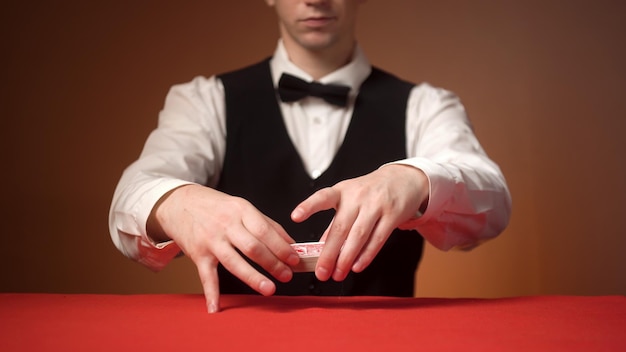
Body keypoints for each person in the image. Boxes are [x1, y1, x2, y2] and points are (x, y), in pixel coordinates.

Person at [109, 0, 511, 313]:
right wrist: (177, 203)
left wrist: (414, 179)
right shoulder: (203, 100)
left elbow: (492, 206)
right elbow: (133, 194)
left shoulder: (426, 105)